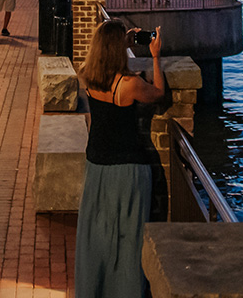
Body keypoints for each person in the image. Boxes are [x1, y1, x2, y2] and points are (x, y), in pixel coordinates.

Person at [75, 20, 165, 298]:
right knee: (128, 239)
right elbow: (159, 93)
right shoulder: (130, 85)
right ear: (118, 48)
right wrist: (155, 56)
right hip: (128, 169)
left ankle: (94, 289)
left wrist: (123, 39)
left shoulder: (87, 75)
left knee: (96, 235)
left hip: (97, 165)